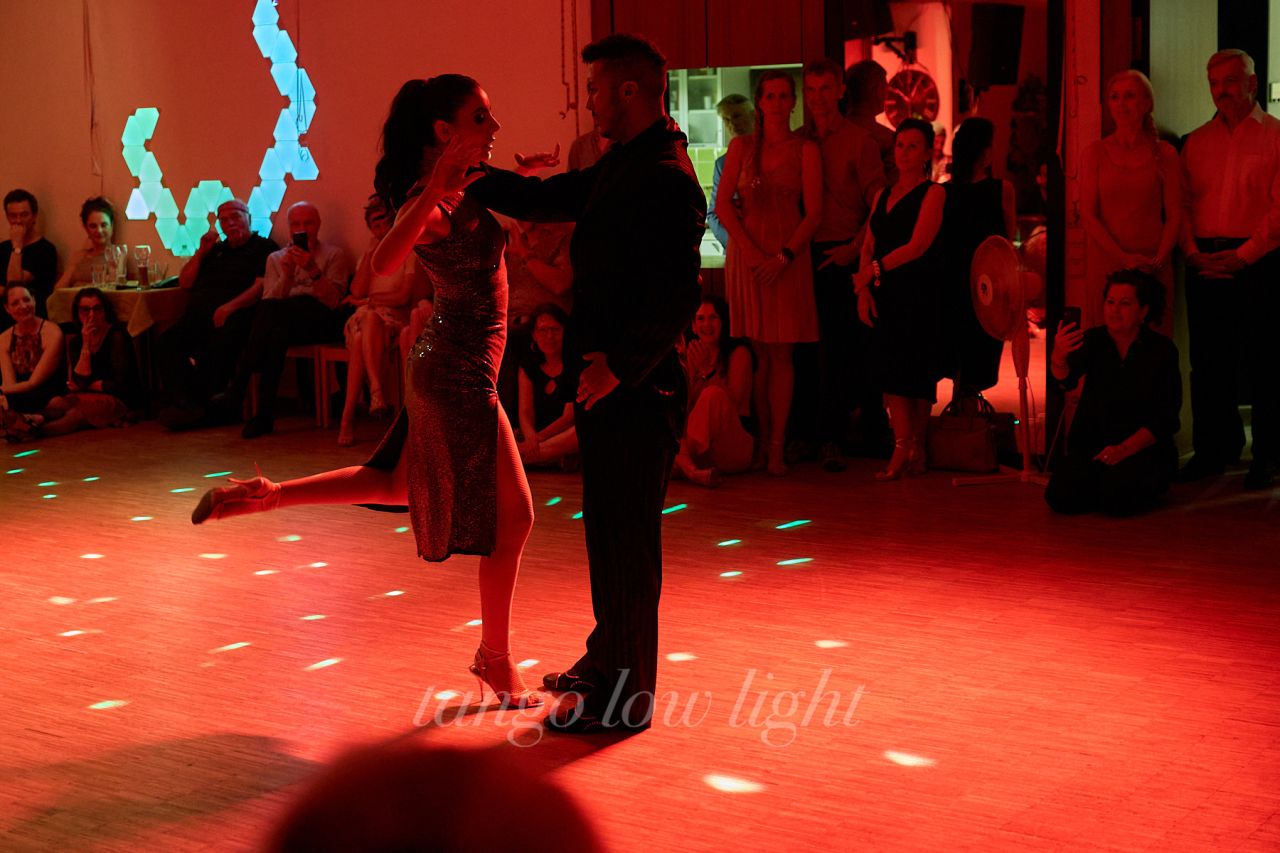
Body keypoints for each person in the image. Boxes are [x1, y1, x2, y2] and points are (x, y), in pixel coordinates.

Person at [192, 75, 541, 709]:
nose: (494, 127)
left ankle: (269, 496)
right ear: (444, 131)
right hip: (457, 369)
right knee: (515, 517)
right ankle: (495, 659)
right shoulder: (430, 204)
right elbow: (383, 260)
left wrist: (519, 181)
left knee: (396, 486)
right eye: (481, 117)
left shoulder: (462, 189)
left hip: (456, 364)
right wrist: (434, 188)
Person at [469, 33, 705, 732]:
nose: (591, 100)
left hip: (638, 389)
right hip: (610, 386)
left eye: (597, 88)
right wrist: (470, 177)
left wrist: (619, 365)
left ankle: (626, 702)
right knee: (607, 535)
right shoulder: (623, 163)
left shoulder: (667, 176)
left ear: (630, 91)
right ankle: (606, 663)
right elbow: (547, 197)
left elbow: (679, 295)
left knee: (628, 545)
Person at [1178, 49, 1280, 490]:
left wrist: (1244, 256)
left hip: (1259, 261)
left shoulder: (1276, 137)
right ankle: (1213, 450)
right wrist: (1193, 253)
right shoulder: (1196, 142)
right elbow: (1181, 205)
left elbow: (1279, 210)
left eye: (1230, 81)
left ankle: (1268, 456)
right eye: (1214, 83)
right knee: (1208, 362)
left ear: (1252, 83)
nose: (1221, 91)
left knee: (1265, 361)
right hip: (1205, 260)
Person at [717, 70, 822, 475]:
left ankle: (777, 445)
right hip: (748, 256)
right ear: (759, 103)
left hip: (787, 257)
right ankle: (760, 443)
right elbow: (722, 204)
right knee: (758, 352)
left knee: (782, 353)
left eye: (783, 96)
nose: (777, 103)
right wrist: (750, 251)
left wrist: (783, 257)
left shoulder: (806, 149)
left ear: (793, 102)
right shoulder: (741, 146)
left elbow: (814, 213)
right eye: (770, 96)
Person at [802, 58, 887, 471]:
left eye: (825, 88)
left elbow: (880, 203)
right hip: (800, 254)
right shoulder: (798, 140)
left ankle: (835, 439)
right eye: (811, 89)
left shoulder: (860, 141)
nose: (818, 97)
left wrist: (854, 249)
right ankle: (813, 436)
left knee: (842, 349)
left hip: (843, 252)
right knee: (808, 350)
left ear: (840, 91)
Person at [210, 200, 351, 438]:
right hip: (285, 318)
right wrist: (287, 275)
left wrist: (312, 270)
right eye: (296, 224)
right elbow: (270, 300)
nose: (302, 229)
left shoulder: (333, 254)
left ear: (318, 225)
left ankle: (238, 389)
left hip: (320, 317)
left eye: (308, 223)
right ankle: (263, 417)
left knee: (273, 318)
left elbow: (334, 302)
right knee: (275, 333)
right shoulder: (276, 258)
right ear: (289, 227)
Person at [854, 118, 945, 480]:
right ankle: (902, 446)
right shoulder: (882, 195)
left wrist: (874, 270)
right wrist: (863, 288)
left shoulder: (934, 193)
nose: (904, 153)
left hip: (918, 293)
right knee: (891, 376)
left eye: (912, 146)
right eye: (900, 145)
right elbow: (868, 244)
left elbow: (918, 245)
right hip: (885, 292)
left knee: (915, 376)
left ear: (927, 153)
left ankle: (915, 446)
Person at [1046, 269, 1181, 515]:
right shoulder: (1094, 340)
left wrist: (1123, 449)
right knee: (1059, 496)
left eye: (1125, 304)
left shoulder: (1162, 350)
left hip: (1139, 446)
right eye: (1110, 302)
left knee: (1116, 499)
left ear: (1143, 311)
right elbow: (1065, 381)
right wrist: (1058, 356)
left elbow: (1166, 418)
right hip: (1095, 443)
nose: (1114, 310)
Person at [157, 199, 278, 426]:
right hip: (199, 315)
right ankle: (182, 401)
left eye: (236, 217)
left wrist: (229, 307)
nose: (230, 223)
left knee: (218, 343)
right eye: (224, 220)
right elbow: (185, 282)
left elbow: (261, 286)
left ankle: (208, 407)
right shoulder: (216, 251)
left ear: (249, 218)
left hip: (237, 314)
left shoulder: (264, 248)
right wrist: (201, 252)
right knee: (167, 342)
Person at [1079, 70, 1181, 337]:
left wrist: (1157, 261)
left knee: (1152, 343)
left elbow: (1175, 215)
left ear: (1146, 103)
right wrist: (1122, 257)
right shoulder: (1094, 153)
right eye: (1115, 97)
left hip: (1152, 263)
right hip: (1107, 262)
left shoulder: (1165, 154)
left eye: (1129, 96)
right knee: (1106, 342)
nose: (1121, 104)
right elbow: (1087, 214)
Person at [337, 194, 428, 446]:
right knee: (365, 323)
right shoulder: (370, 255)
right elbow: (356, 290)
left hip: (392, 319)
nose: (382, 228)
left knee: (363, 332)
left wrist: (370, 300)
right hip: (368, 317)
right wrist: (370, 254)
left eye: (385, 222)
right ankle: (376, 392)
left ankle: (348, 418)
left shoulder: (409, 251)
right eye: (375, 225)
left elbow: (402, 296)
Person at [941, 117, 1017, 398]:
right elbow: (1007, 240)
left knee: (959, 361)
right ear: (984, 153)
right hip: (988, 286)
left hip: (955, 283)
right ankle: (968, 414)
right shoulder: (1001, 190)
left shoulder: (945, 192)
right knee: (978, 358)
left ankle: (962, 412)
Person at [21, 287, 140, 438]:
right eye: (85, 310)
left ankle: (33, 432)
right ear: (77, 313)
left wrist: (89, 385)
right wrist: (86, 344)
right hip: (89, 395)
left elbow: (122, 385)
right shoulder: (77, 342)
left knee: (76, 414)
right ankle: (30, 420)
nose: (91, 315)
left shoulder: (117, 336)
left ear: (105, 311)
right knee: (56, 402)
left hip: (118, 399)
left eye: (97, 309)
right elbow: (79, 380)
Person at [674, 295, 754, 485]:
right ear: (693, 326)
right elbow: (683, 410)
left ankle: (677, 461)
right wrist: (690, 373)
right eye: (700, 318)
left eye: (713, 318)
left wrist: (707, 371)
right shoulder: (692, 354)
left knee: (713, 395)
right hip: (702, 451)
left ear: (723, 322)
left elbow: (734, 403)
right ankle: (691, 470)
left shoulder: (739, 353)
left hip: (733, 446)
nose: (706, 324)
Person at [516, 304, 579, 467]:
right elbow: (525, 411)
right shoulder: (528, 367)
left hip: (562, 434)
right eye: (543, 330)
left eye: (555, 330)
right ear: (534, 335)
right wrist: (531, 436)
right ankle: (551, 459)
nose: (549, 336)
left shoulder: (575, 364)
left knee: (580, 431)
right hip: (536, 434)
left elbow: (568, 418)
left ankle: (521, 458)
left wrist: (536, 441)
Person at [0, 284, 64, 439]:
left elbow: (34, 382)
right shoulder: (4, 338)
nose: (23, 306)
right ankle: (25, 421)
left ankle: (28, 420)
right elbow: (9, 383)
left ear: (34, 301)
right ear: (7, 309)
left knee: (56, 404)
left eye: (26, 300)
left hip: (46, 390)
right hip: (19, 393)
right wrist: (4, 394)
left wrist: (3, 392)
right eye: (15, 303)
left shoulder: (52, 332)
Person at [1, 189, 59, 323]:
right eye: (13, 216)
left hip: (30, 318)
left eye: (24, 215)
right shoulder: (2, 248)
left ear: (34, 216)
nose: (18, 221)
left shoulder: (45, 249)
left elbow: (14, 286)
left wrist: (17, 247)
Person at [706, 93, 754, 251]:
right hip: (736, 249)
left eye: (737, 116)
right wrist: (736, 243)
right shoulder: (722, 164)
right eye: (726, 120)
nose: (732, 124)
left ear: (753, 116)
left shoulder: (771, 154)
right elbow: (713, 214)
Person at [54, 197, 125, 290]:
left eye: (104, 225)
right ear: (86, 228)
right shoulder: (79, 256)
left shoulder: (118, 254)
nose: (99, 230)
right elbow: (58, 289)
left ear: (111, 226)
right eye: (93, 226)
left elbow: (112, 286)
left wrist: (79, 285)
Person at [844, 60, 896, 185]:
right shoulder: (887, 139)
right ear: (876, 91)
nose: (886, 94)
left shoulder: (835, 133)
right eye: (884, 87)